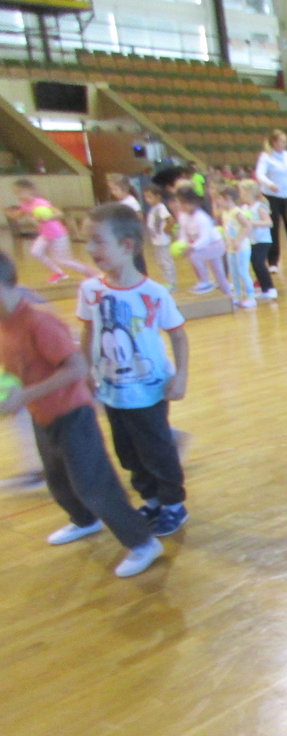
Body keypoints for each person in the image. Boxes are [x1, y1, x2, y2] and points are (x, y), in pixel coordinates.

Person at [0, 251, 162, 577]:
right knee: (58, 480)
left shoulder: (39, 323)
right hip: (42, 414)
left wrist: (25, 395)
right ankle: (84, 521)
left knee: (93, 484)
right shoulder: (4, 325)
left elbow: (76, 368)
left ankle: (143, 542)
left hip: (72, 414)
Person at [77, 203, 191, 538]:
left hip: (150, 391)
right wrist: (86, 371)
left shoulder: (153, 293)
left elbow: (178, 335)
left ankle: (173, 505)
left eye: (98, 241)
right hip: (112, 391)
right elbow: (88, 331)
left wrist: (181, 375)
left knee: (157, 451)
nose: (90, 249)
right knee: (128, 453)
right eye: (87, 241)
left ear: (127, 246)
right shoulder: (90, 291)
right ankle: (152, 500)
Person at [12, 179, 96, 284]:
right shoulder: (24, 205)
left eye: (20, 192)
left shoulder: (41, 202)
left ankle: (91, 273)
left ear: (30, 190)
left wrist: (48, 218)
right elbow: (17, 216)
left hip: (58, 234)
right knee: (36, 252)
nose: (18, 195)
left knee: (63, 260)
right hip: (45, 234)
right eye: (16, 193)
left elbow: (60, 214)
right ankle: (59, 273)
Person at [255, 129, 287, 272]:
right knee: (273, 229)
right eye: (282, 141)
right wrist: (270, 184)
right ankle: (273, 262)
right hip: (271, 196)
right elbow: (260, 174)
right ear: (274, 142)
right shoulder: (266, 156)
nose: (285, 144)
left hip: (286, 195)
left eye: (285, 141)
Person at [176, 186, 233, 299]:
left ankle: (205, 281)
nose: (180, 206)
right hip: (203, 246)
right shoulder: (183, 216)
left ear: (193, 203)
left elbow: (205, 238)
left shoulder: (201, 217)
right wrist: (181, 246)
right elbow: (183, 234)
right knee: (219, 274)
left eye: (183, 203)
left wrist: (192, 248)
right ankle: (230, 298)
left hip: (216, 245)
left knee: (194, 255)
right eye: (179, 203)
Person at [214, 185, 256, 309]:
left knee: (243, 272)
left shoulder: (236, 212)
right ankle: (237, 296)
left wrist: (238, 240)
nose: (217, 202)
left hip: (241, 247)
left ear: (228, 198)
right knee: (234, 273)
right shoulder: (225, 213)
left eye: (219, 199)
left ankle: (251, 297)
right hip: (231, 248)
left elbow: (247, 226)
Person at [240, 179, 276, 300]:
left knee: (259, 263)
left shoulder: (259, 206)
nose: (240, 194)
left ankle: (270, 288)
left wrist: (253, 223)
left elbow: (269, 223)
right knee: (255, 264)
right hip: (251, 240)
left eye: (242, 191)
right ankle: (264, 288)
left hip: (262, 240)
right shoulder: (244, 207)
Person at [143, 183, 176, 292]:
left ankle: (171, 283)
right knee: (161, 262)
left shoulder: (161, 208)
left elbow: (170, 220)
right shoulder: (153, 208)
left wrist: (166, 230)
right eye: (146, 197)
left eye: (150, 197)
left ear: (158, 197)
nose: (147, 200)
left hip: (163, 241)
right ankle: (167, 281)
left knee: (166, 262)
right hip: (157, 241)